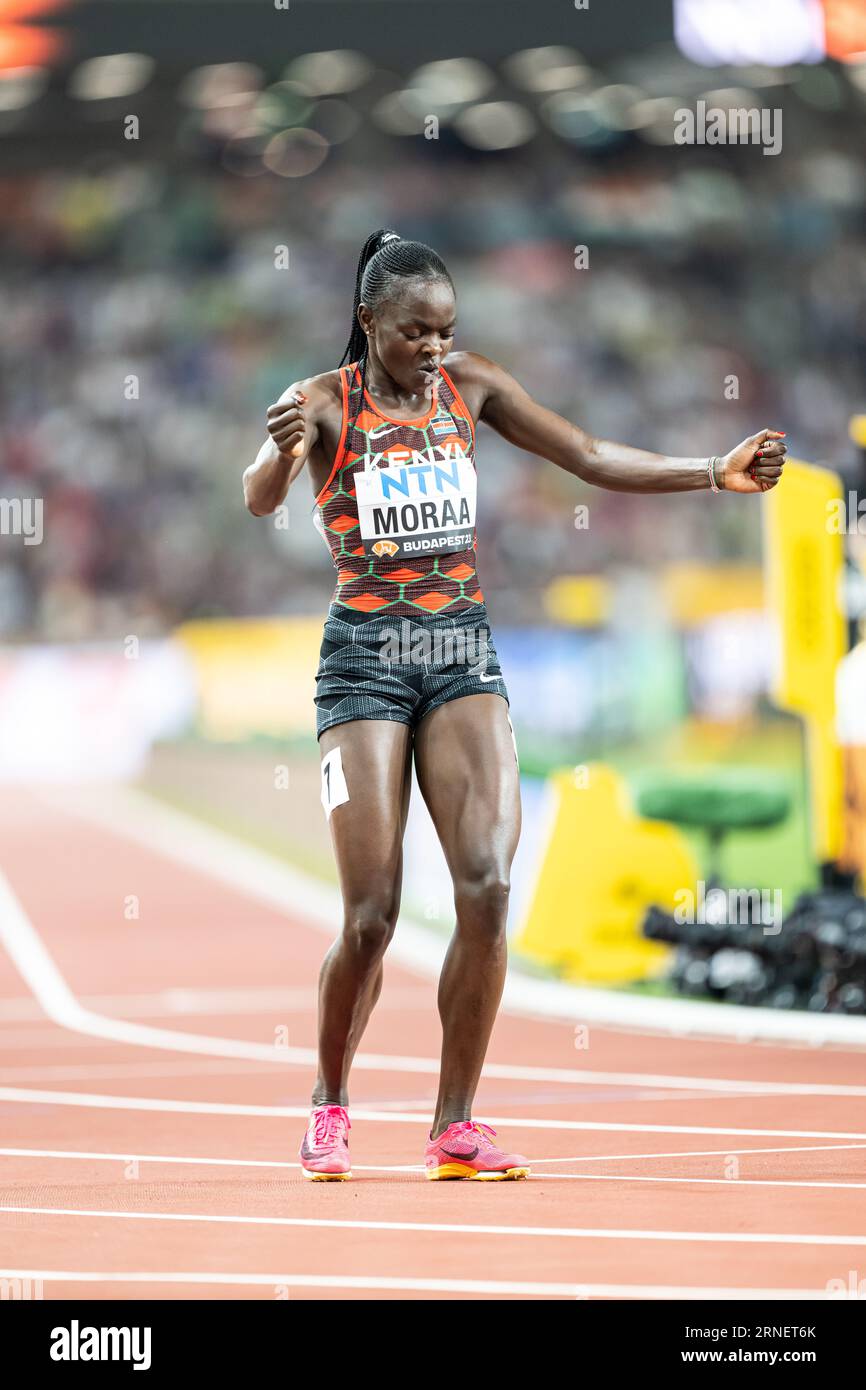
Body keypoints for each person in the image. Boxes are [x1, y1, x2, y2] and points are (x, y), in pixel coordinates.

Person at [243, 228, 787, 1181]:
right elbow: (256, 498)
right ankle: (329, 1103)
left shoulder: (474, 389)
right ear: (369, 321)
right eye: (416, 333)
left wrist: (712, 472)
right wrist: (281, 456)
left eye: (446, 332)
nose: (434, 350)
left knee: (489, 888)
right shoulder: (321, 402)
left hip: (462, 655)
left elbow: (584, 452)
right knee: (371, 915)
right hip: (365, 662)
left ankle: (454, 1124)